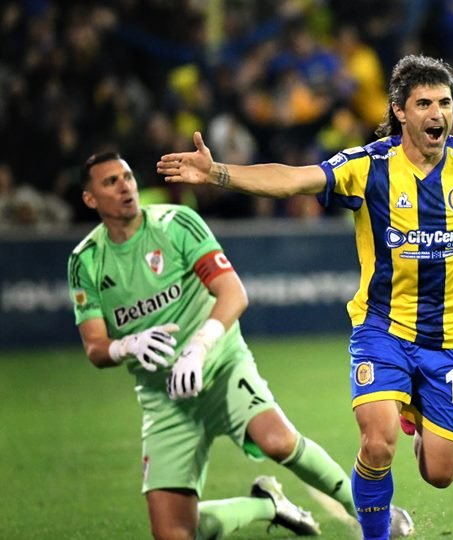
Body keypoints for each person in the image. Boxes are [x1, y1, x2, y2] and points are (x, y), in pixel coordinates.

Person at [157, 54, 453, 540]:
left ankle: (413, 412)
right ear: (399, 111)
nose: (437, 114)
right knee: (377, 444)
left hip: (452, 337)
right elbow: (294, 179)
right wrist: (220, 172)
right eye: (425, 103)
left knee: (440, 473)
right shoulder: (367, 168)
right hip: (382, 329)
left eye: (445, 103)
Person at [68, 151, 406, 539]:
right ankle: (268, 505)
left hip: (220, 364)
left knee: (277, 441)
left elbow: (232, 293)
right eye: (110, 182)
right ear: (90, 199)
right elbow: (95, 347)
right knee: (171, 534)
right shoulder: (86, 261)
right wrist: (126, 346)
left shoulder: (176, 224)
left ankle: (371, 512)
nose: (125, 186)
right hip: (164, 397)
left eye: (127, 176)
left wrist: (197, 348)